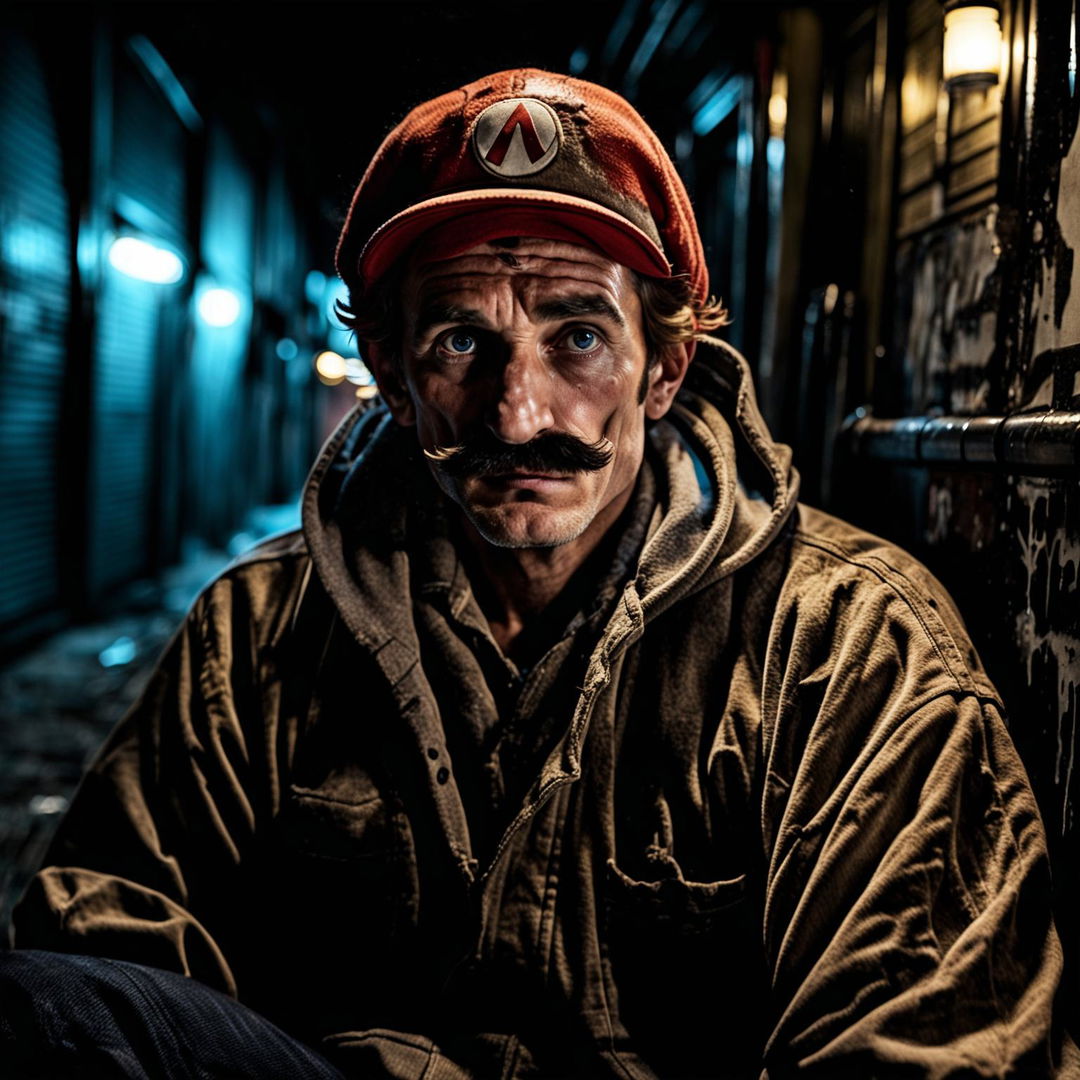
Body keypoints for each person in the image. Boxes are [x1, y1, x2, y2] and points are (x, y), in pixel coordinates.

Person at [2, 68, 1076, 1079]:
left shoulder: (845, 643)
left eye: (576, 337)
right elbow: (108, 926)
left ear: (663, 367)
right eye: (463, 342)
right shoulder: (262, 628)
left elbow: (931, 1037)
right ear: (390, 373)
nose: (519, 415)